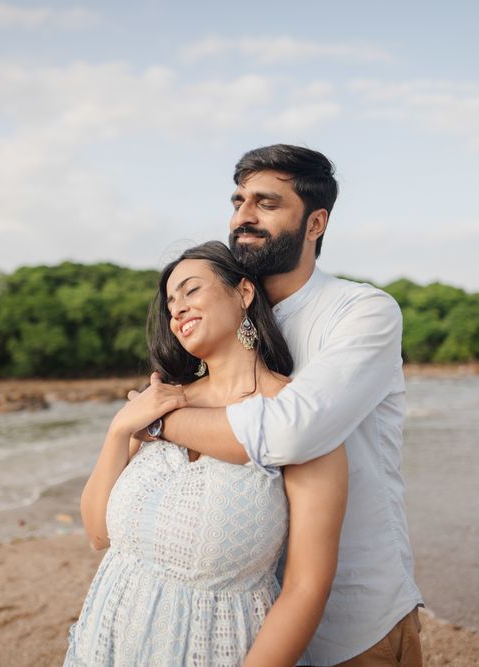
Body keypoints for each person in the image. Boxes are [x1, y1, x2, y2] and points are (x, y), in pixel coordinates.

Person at [142, 145, 424, 667]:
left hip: (353, 618)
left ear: (315, 222)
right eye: (238, 200)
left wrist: (162, 417)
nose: (243, 217)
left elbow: (293, 433)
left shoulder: (362, 312)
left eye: (267, 203)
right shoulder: (221, 322)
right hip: (240, 618)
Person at [64, 241, 349, 666]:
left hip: (224, 648)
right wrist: (119, 428)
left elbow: (307, 588)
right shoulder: (156, 404)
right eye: (170, 302)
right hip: (108, 643)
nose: (176, 309)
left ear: (244, 293)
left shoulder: (296, 417)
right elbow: (97, 533)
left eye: (191, 290)